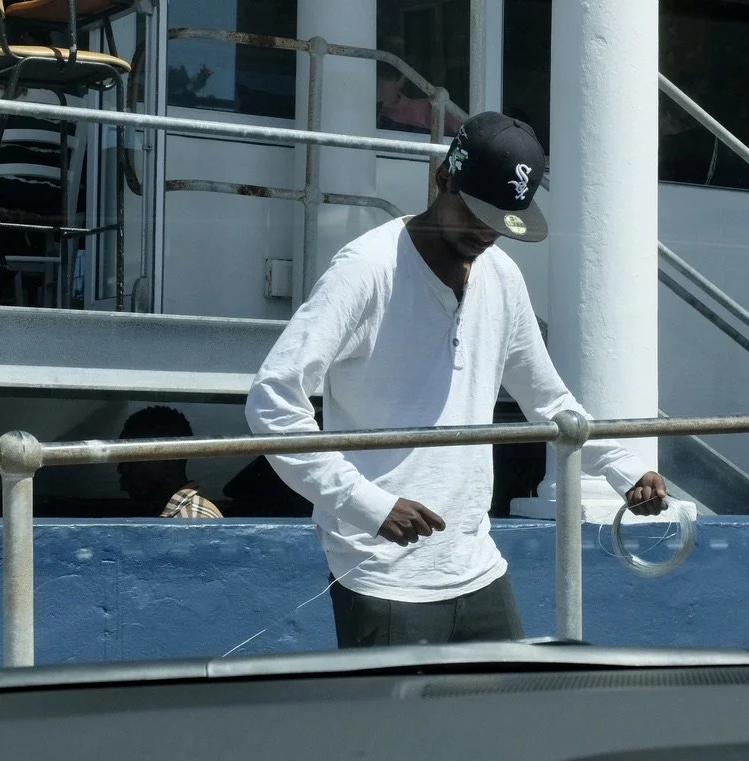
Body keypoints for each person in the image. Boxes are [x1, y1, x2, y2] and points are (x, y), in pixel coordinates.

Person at [245, 111, 667, 648]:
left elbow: (549, 399)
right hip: (382, 571)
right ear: (443, 179)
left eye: (501, 222)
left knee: (501, 726)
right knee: (398, 735)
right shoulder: (366, 270)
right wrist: (365, 505)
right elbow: (272, 399)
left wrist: (624, 467)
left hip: (477, 565)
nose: (486, 233)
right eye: (476, 213)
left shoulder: (501, 277)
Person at [117, 406, 223, 519]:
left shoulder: (192, 518)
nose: (121, 468)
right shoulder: (173, 514)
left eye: (133, 456)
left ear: (170, 458)